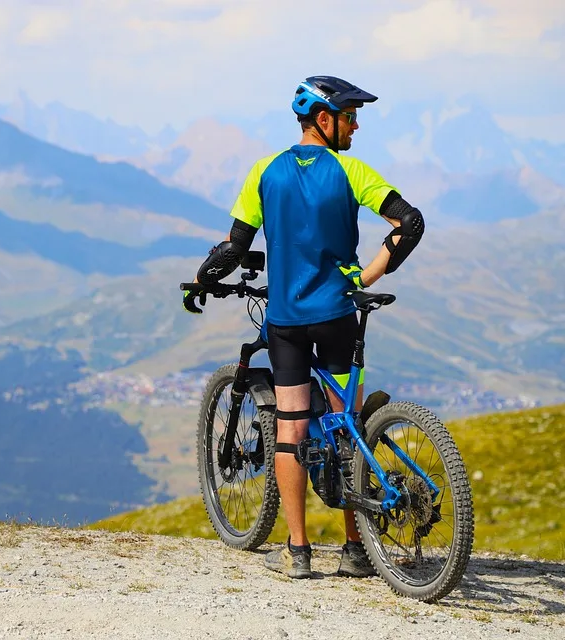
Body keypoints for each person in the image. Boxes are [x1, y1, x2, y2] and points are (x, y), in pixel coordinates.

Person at [182, 75, 425, 579]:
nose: (356, 126)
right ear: (324, 119)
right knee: (348, 428)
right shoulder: (350, 171)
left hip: (288, 322)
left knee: (291, 433)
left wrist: (200, 279)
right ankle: (357, 550)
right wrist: (368, 273)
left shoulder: (263, 173)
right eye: (350, 117)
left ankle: (299, 551)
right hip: (338, 314)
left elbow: (233, 247)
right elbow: (410, 222)